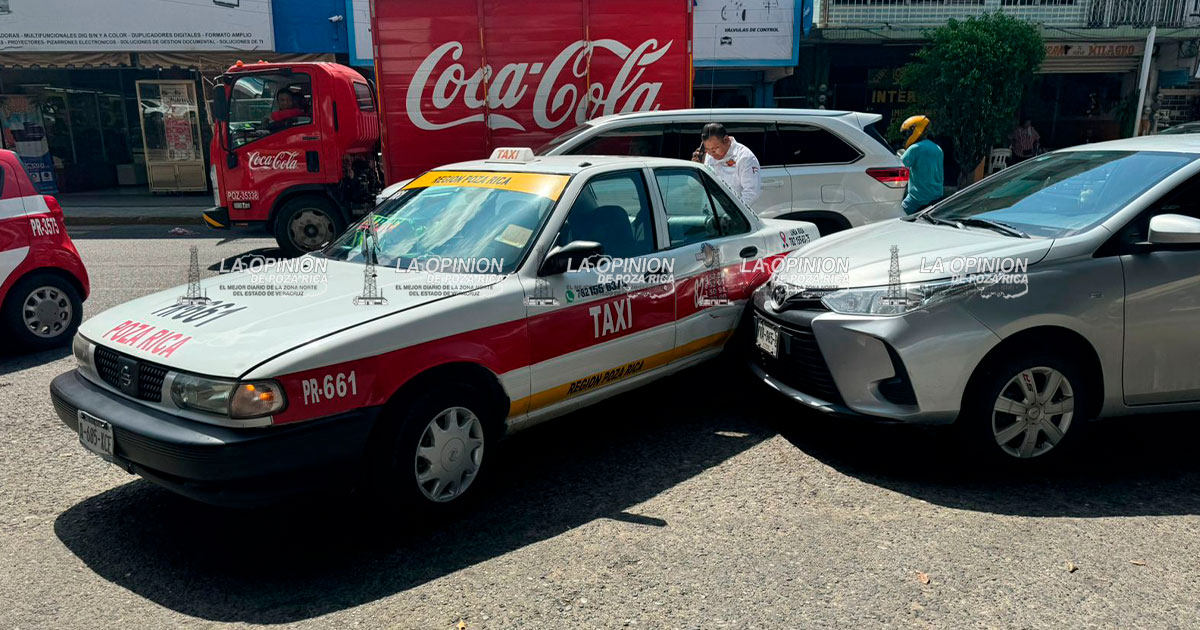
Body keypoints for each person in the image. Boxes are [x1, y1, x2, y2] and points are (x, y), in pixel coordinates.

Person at [691, 122, 761, 207]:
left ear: (726, 140)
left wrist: (734, 212)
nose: (711, 153)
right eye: (707, 150)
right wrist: (695, 169)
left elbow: (752, 193)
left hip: (734, 214)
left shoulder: (744, 157)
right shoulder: (708, 155)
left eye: (714, 149)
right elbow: (694, 186)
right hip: (711, 212)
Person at [898, 115, 944, 215]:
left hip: (917, 199)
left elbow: (898, 167)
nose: (906, 137)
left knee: (896, 218)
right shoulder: (937, 148)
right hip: (937, 198)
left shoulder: (915, 149)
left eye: (907, 133)